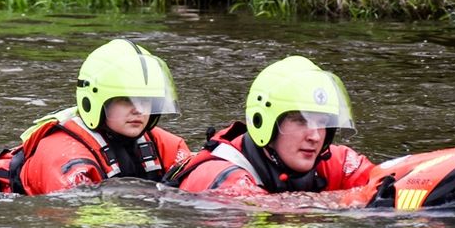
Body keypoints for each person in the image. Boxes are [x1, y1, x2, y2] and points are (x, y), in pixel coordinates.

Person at [0, 39, 192, 195]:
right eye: (126, 100)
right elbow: (81, 218)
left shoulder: (164, 145)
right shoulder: (64, 158)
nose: (139, 110)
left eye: (147, 100)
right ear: (95, 100)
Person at [164, 56, 383, 199]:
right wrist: (356, 201)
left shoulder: (333, 160)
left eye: (323, 122)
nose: (315, 136)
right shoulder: (221, 176)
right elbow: (269, 213)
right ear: (267, 123)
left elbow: (384, 178)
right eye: (301, 121)